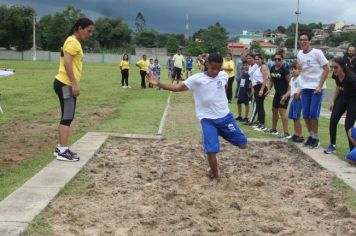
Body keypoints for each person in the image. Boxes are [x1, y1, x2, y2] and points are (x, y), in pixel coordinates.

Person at [146, 53, 247, 183]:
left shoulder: (224, 75)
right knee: (211, 150)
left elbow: (224, 85)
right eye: (213, 68)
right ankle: (216, 176)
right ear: (207, 65)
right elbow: (177, 88)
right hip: (207, 119)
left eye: (218, 68)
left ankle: (221, 132)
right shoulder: (196, 79)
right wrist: (159, 83)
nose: (216, 71)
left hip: (225, 118)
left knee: (243, 144)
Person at [53, 18, 94, 161]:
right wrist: (74, 84)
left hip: (65, 83)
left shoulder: (74, 42)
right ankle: (63, 151)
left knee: (67, 115)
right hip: (66, 84)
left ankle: (60, 148)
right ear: (79, 28)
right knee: (67, 116)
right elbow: (67, 63)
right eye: (88, 31)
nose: (90, 34)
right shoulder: (72, 42)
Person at [297, 31, 329, 149]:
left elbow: (326, 69)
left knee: (313, 114)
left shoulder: (317, 53)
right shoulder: (299, 54)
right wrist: (299, 88)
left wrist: (319, 86)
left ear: (309, 41)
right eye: (301, 39)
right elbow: (301, 71)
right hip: (305, 87)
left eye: (305, 39)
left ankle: (316, 138)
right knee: (305, 114)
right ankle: (311, 136)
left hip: (316, 88)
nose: (302, 42)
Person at [324, 57, 356, 154]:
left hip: (353, 100)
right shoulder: (336, 75)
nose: (334, 70)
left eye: (336, 67)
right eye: (332, 67)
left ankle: (352, 151)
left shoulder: (351, 78)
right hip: (342, 98)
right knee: (333, 120)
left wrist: (350, 110)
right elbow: (338, 87)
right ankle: (332, 145)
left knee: (348, 126)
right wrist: (332, 101)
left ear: (342, 67)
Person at [266, 53, 291, 138]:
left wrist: (286, 94)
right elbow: (271, 81)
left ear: (282, 60)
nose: (277, 61)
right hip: (277, 93)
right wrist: (269, 89)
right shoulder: (272, 68)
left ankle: (286, 133)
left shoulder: (285, 70)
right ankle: (273, 129)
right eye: (275, 59)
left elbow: (290, 83)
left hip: (284, 94)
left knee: (282, 111)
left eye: (279, 59)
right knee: (274, 110)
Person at [281, 63, 304, 143]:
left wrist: (299, 93)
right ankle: (296, 134)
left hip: (298, 99)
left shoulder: (300, 78)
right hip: (293, 99)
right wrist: (285, 96)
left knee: (297, 117)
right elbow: (290, 90)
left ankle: (300, 135)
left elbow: (302, 87)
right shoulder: (292, 79)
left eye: (295, 68)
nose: (293, 70)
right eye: (292, 69)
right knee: (294, 117)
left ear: (300, 70)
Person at [252, 54, 270, 131]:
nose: (257, 61)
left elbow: (265, 78)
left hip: (260, 87)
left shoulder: (263, 67)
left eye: (258, 59)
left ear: (262, 59)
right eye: (255, 59)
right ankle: (260, 123)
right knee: (258, 106)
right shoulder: (258, 67)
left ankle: (262, 124)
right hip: (257, 88)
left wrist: (262, 89)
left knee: (260, 106)